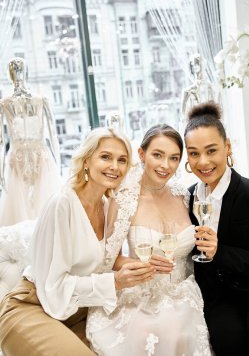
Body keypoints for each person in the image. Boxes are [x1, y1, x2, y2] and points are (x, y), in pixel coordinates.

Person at [0, 127, 155, 356]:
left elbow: (108, 261)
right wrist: (115, 283)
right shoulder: (62, 204)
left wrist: (141, 266)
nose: (115, 166)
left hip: (79, 310)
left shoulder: (107, 205)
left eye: (122, 160)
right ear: (86, 161)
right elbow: (55, 286)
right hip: (34, 305)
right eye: (105, 157)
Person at [86, 124, 214, 356]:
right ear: (142, 154)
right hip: (143, 294)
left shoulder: (184, 195)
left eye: (174, 158)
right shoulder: (123, 200)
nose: (166, 165)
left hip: (185, 291)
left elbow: (197, 245)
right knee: (168, 330)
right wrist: (142, 266)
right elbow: (110, 259)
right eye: (158, 155)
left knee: (183, 327)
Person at [184, 101, 249, 356]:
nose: (203, 162)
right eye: (193, 153)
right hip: (218, 298)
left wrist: (219, 252)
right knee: (229, 340)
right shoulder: (188, 198)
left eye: (211, 150)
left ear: (227, 148)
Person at [0, 57, 62, 226]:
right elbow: (0, 140)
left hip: (40, 155)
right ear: (9, 74)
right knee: (19, 212)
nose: (17, 74)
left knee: (46, 205)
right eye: (14, 70)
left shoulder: (41, 101)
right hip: (16, 158)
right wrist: (1, 171)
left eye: (20, 69)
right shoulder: (4, 104)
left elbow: (53, 135)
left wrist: (58, 165)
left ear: (26, 72)